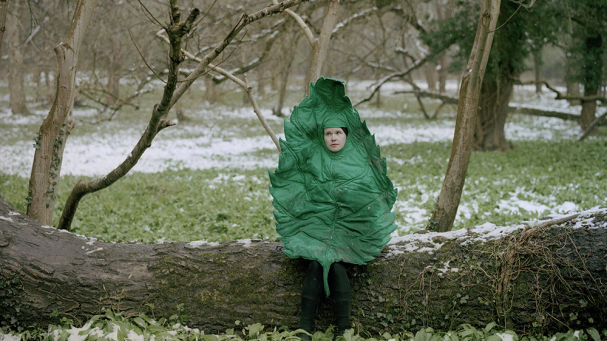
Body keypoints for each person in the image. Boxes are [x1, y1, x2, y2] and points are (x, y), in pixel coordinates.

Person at [269, 77, 397, 339]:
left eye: (338, 132)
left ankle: (343, 328)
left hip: (351, 227)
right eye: (328, 133)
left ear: (346, 135)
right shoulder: (314, 156)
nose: (333, 138)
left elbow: (372, 194)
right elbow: (298, 185)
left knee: (336, 264)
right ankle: (304, 326)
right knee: (318, 261)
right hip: (316, 223)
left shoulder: (359, 161)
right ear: (323, 136)